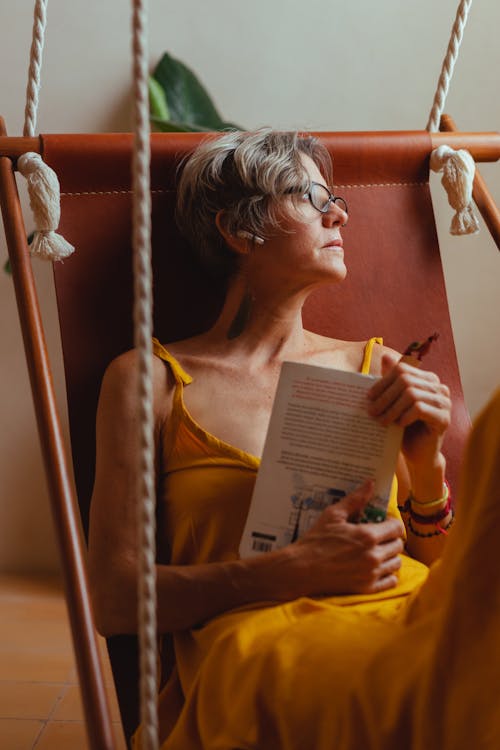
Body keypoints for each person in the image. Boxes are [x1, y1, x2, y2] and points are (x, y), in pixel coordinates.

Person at [88, 130, 495, 750]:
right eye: (310, 195)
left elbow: (440, 572)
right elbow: (115, 601)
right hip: (266, 649)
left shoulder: (380, 371)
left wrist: (427, 461)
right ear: (237, 230)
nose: (338, 213)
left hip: (409, 619)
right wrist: (287, 571)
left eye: (336, 199)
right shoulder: (149, 381)